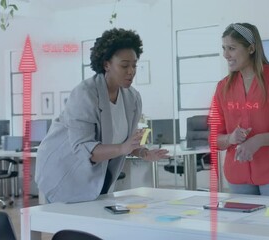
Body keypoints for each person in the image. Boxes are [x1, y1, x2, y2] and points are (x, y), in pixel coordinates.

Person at [35, 28, 170, 203]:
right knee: (68, 228)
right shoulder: (85, 93)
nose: (131, 71)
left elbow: (127, 141)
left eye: (134, 65)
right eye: (124, 65)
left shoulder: (133, 98)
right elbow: (83, 149)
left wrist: (143, 152)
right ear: (106, 64)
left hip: (98, 174)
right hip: (62, 171)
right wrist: (123, 148)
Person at [212, 23, 269, 197]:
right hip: (237, 176)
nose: (226, 55)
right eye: (224, 48)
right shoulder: (222, 87)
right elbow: (215, 139)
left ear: (251, 48)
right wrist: (230, 138)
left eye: (232, 48)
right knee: (243, 225)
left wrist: (259, 140)